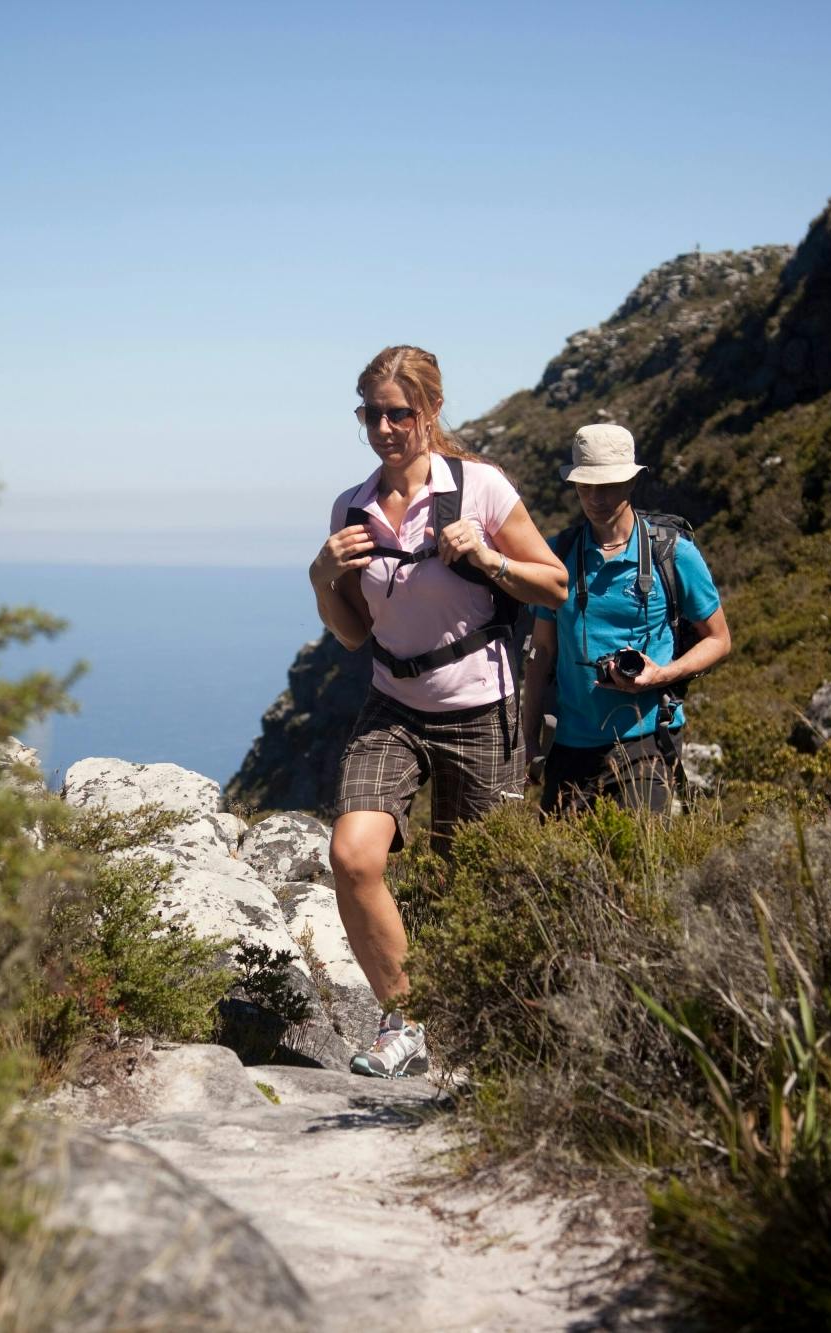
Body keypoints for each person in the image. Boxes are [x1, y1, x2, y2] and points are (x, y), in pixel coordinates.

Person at [309, 345, 568, 1078]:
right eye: (372, 414)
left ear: (430, 412)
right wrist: (322, 574)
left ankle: (486, 1034)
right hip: (393, 702)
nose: (386, 428)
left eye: (401, 413)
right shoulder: (352, 508)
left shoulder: (480, 488)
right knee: (353, 855)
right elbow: (354, 631)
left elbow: (555, 586)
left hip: (481, 708)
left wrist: (488, 558)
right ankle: (407, 1020)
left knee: (472, 881)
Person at [522, 423, 731, 815]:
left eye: (609, 485)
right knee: (563, 870)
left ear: (631, 482)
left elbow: (719, 639)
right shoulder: (556, 556)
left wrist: (662, 675)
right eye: (587, 486)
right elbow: (541, 653)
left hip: (647, 738)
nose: (596, 498)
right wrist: (529, 739)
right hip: (570, 744)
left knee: (640, 859)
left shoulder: (674, 553)